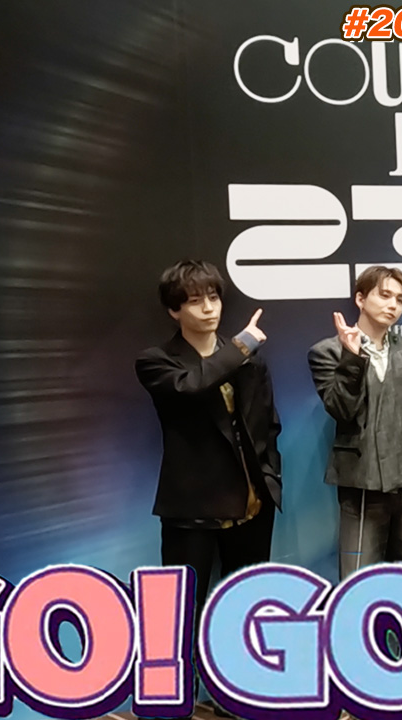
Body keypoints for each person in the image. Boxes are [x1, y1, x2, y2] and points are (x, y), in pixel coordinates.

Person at [135, 260, 281, 719]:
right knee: (182, 608)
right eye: (195, 301)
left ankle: (237, 694)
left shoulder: (248, 358)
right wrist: (241, 346)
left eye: (213, 297)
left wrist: (269, 477)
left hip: (252, 504)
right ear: (174, 310)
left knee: (243, 603)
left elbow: (267, 423)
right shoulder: (156, 360)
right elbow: (191, 386)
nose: (208, 308)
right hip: (192, 508)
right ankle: (175, 698)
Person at [308, 266, 402, 581]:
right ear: (360, 299)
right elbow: (342, 410)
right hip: (362, 481)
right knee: (356, 580)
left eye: (400, 300)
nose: (393, 305)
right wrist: (352, 358)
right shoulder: (327, 351)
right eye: (385, 295)